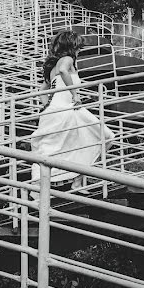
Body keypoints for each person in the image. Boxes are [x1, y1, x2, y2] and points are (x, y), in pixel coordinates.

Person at [31, 30, 114, 190]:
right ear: (71, 46)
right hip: (68, 109)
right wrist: (75, 94)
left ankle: (71, 181)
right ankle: (77, 180)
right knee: (106, 136)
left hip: (55, 111)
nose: (80, 50)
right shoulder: (67, 60)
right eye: (78, 46)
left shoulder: (52, 66)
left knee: (55, 150)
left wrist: (46, 106)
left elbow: (42, 89)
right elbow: (63, 70)